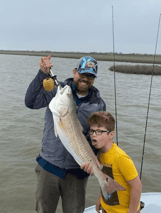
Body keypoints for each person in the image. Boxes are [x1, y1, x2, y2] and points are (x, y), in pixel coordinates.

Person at [25, 55, 106, 213]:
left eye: (90, 76)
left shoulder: (98, 104)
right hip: (49, 167)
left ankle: (105, 183)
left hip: (77, 173)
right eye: (82, 74)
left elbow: (97, 138)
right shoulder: (57, 90)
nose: (85, 79)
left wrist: (94, 162)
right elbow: (30, 102)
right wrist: (42, 74)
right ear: (75, 72)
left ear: (94, 79)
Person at [81, 111, 142, 213]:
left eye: (99, 131)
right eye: (92, 131)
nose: (94, 135)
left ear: (111, 134)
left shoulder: (120, 158)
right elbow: (104, 181)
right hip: (106, 209)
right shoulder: (100, 154)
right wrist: (100, 199)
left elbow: (137, 186)